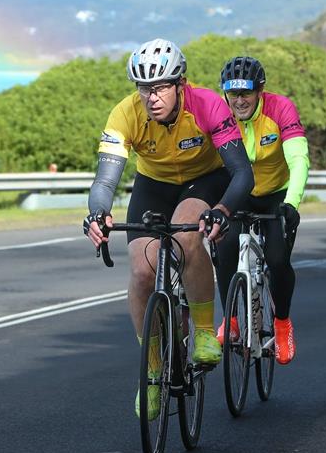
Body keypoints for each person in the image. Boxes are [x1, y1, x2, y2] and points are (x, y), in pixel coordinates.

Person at [83, 38, 254, 418]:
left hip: (205, 178)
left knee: (187, 231)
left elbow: (243, 172)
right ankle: (153, 368)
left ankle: (206, 331)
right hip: (154, 184)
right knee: (142, 271)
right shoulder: (125, 114)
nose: (152, 97)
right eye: (144, 88)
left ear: (180, 85)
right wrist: (98, 213)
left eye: (160, 87)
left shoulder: (207, 105)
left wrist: (223, 209)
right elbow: (105, 181)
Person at [214, 56, 309, 365]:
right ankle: (232, 321)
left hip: (275, 195)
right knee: (225, 246)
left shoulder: (280, 108)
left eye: (246, 93)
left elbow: (298, 159)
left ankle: (282, 324)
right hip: (237, 192)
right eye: (233, 93)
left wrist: (291, 204)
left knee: (278, 260)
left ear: (260, 91)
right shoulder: (220, 112)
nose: (239, 100)